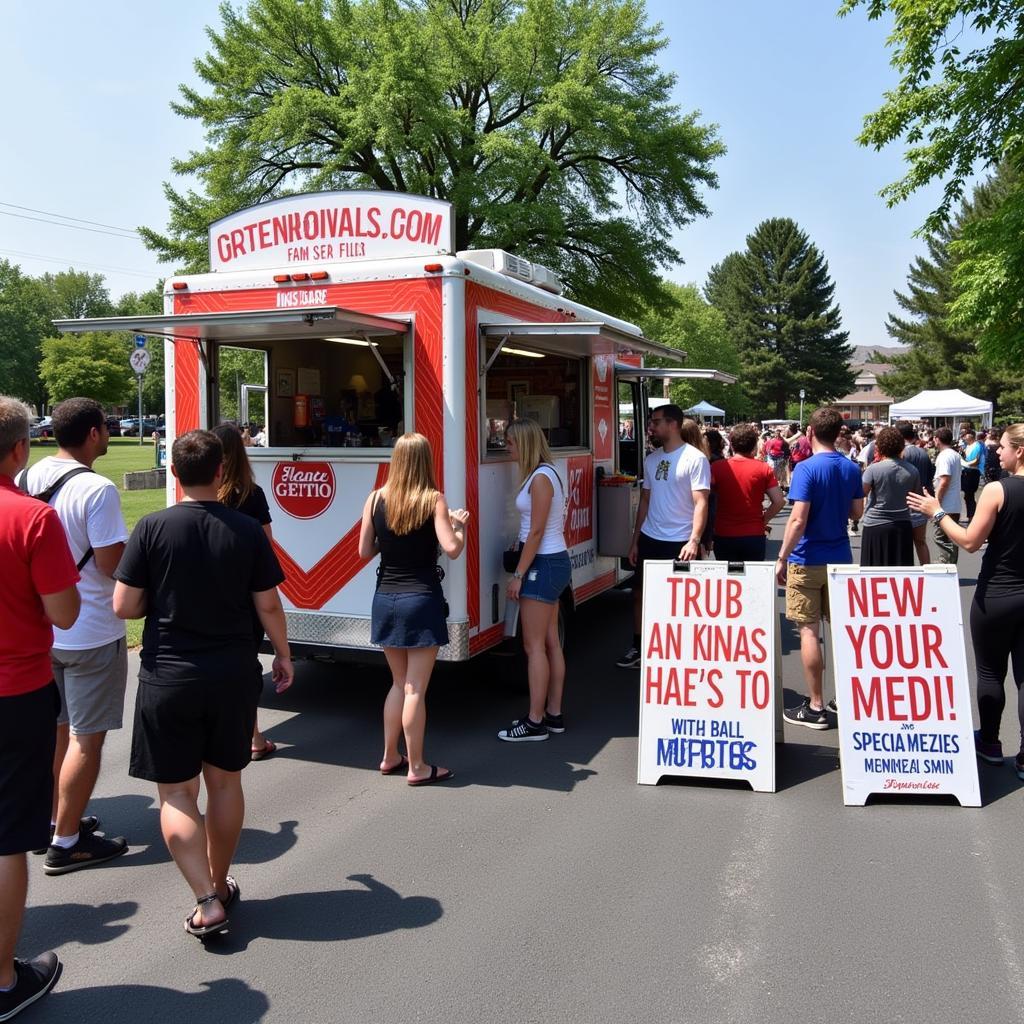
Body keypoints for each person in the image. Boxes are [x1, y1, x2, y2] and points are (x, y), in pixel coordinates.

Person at [113, 430, 294, 938]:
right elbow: (268, 604)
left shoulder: (151, 527)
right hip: (232, 673)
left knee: (174, 792)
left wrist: (165, 601)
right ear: (221, 472)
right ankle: (220, 880)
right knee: (225, 783)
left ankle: (205, 899)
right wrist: (283, 654)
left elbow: (124, 606)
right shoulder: (247, 530)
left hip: (168, 675)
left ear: (174, 473)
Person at [21, 398, 130, 875]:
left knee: (58, 735)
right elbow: (110, 563)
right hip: (91, 631)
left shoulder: (29, 476)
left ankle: (55, 819)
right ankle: (66, 843)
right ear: (92, 434)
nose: (109, 433)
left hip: (45, 628)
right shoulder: (98, 489)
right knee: (87, 740)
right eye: (106, 427)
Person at [0, 396, 80, 1019]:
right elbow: (64, 613)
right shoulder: (31, 518)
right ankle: (4, 981)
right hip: (16, 691)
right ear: (21, 448)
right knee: (8, 840)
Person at [908, 425, 1024, 777]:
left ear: (1019, 451)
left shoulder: (997, 490)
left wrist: (936, 513)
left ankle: (989, 742)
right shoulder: (995, 485)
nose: (996, 452)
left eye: (1002, 447)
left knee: (990, 671)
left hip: (997, 594)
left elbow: (970, 541)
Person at [358, 433, 467, 777]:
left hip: (385, 598)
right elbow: (451, 548)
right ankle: (417, 766)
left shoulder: (375, 499)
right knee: (414, 688)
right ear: (424, 461)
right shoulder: (433, 500)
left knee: (397, 683)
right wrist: (459, 527)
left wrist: (388, 544)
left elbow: (364, 551)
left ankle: (390, 756)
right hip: (420, 599)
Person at [776, 408, 864, 728]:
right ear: (839, 431)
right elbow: (857, 512)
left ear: (810, 432)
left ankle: (815, 706)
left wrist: (782, 557)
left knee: (809, 630)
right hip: (840, 556)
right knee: (840, 633)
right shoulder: (852, 468)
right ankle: (844, 698)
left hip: (807, 557)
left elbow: (798, 520)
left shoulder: (806, 468)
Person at [491, 419, 572, 741]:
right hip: (550, 560)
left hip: (543, 563)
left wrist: (519, 575)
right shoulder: (545, 473)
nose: (506, 448)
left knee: (534, 646)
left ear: (523, 442)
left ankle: (535, 721)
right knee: (551, 643)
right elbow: (535, 529)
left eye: (510, 442)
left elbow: (537, 531)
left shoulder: (540, 477)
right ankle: (553, 714)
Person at [617, 404, 710, 669]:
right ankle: (639, 647)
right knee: (639, 594)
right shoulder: (651, 458)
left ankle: (681, 654)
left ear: (672, 424)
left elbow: (701, 502)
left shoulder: (695, 458)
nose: (651, 427)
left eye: (656, 422)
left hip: (680, 542)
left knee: (682, 600)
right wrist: (635, 540)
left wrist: (694, 539)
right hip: (651, 538)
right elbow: (645, 501)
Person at [212, 423, 277, 762]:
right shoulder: (252, 494)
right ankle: (252, 737)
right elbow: (265, 546)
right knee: (245, 665)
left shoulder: (202, 494)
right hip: (245, 595)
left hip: (210, 592)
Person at [710, 424, 785, 562]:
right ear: (754, 445)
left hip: (723, 533)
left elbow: (706, 499)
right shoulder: (763, 468)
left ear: (731, 445)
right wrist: (764, 520)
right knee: (752, 580)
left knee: (728, 580)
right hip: (753, 533)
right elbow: (779, 501)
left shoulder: (716, 467)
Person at [859, 426, 922, 567]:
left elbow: (862, 492)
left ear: (880, 446)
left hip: (875, 524)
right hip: (902, 524)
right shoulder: (912, 470)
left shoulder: (873, 469)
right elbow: (916, 498)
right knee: (900, 573)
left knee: (873, 573)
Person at [896, 421, 933, 565]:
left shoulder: (902, 454)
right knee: (920, 542)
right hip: (921, 502)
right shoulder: (923, 453)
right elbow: (930, 476)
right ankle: (927, 570)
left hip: (905, 503)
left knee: (902, 545)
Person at [931, 427, 963, 564]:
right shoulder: (955, 454)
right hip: (954, 503)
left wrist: (937, 501)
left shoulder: (944, 456)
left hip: (946, 505)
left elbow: (944, 480)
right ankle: (951, 566)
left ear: (937, 439)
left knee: (941, 537)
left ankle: (946, 566)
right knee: (951, 537)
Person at [960, 430, 984, 521]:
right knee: (967, 496)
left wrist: (965, 463)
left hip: (972, 472)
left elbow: (976, 461)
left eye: (966, 435)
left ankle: (972, 516)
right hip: (966, 471)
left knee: (969, 495)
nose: (965, 437)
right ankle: (971, 515)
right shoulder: (966, 446)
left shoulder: (977, 445)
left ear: (972, 435)